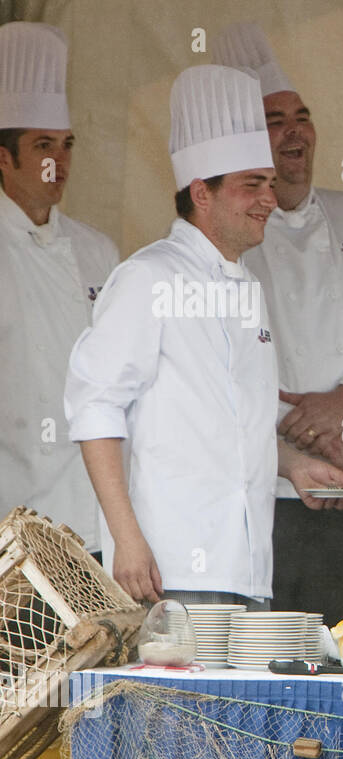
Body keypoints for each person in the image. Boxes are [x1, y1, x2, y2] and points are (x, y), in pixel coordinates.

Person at [64, 65, 343, 606]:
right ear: (201, 191)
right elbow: (94, 409)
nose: (269, 198)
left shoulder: (246, 286)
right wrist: (126, 541)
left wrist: (295, 467)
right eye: (251, 186)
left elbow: (233, 421)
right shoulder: (148, 277)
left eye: (269, 183)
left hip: (248, 567)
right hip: (167, 570)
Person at [213, 23, 343, 625]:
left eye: (302, 116)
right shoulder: (234, 240)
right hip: (271, 494)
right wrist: (301, 435)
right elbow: (222, 365)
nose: (294, 130)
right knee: (280, 666)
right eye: (274, 121)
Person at [0, 23, 118, 556]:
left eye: (66, 145)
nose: (59, 161)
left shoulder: (98, 250)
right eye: (42, 145)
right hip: (12, 514)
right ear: (4, 158)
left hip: (89, 513)